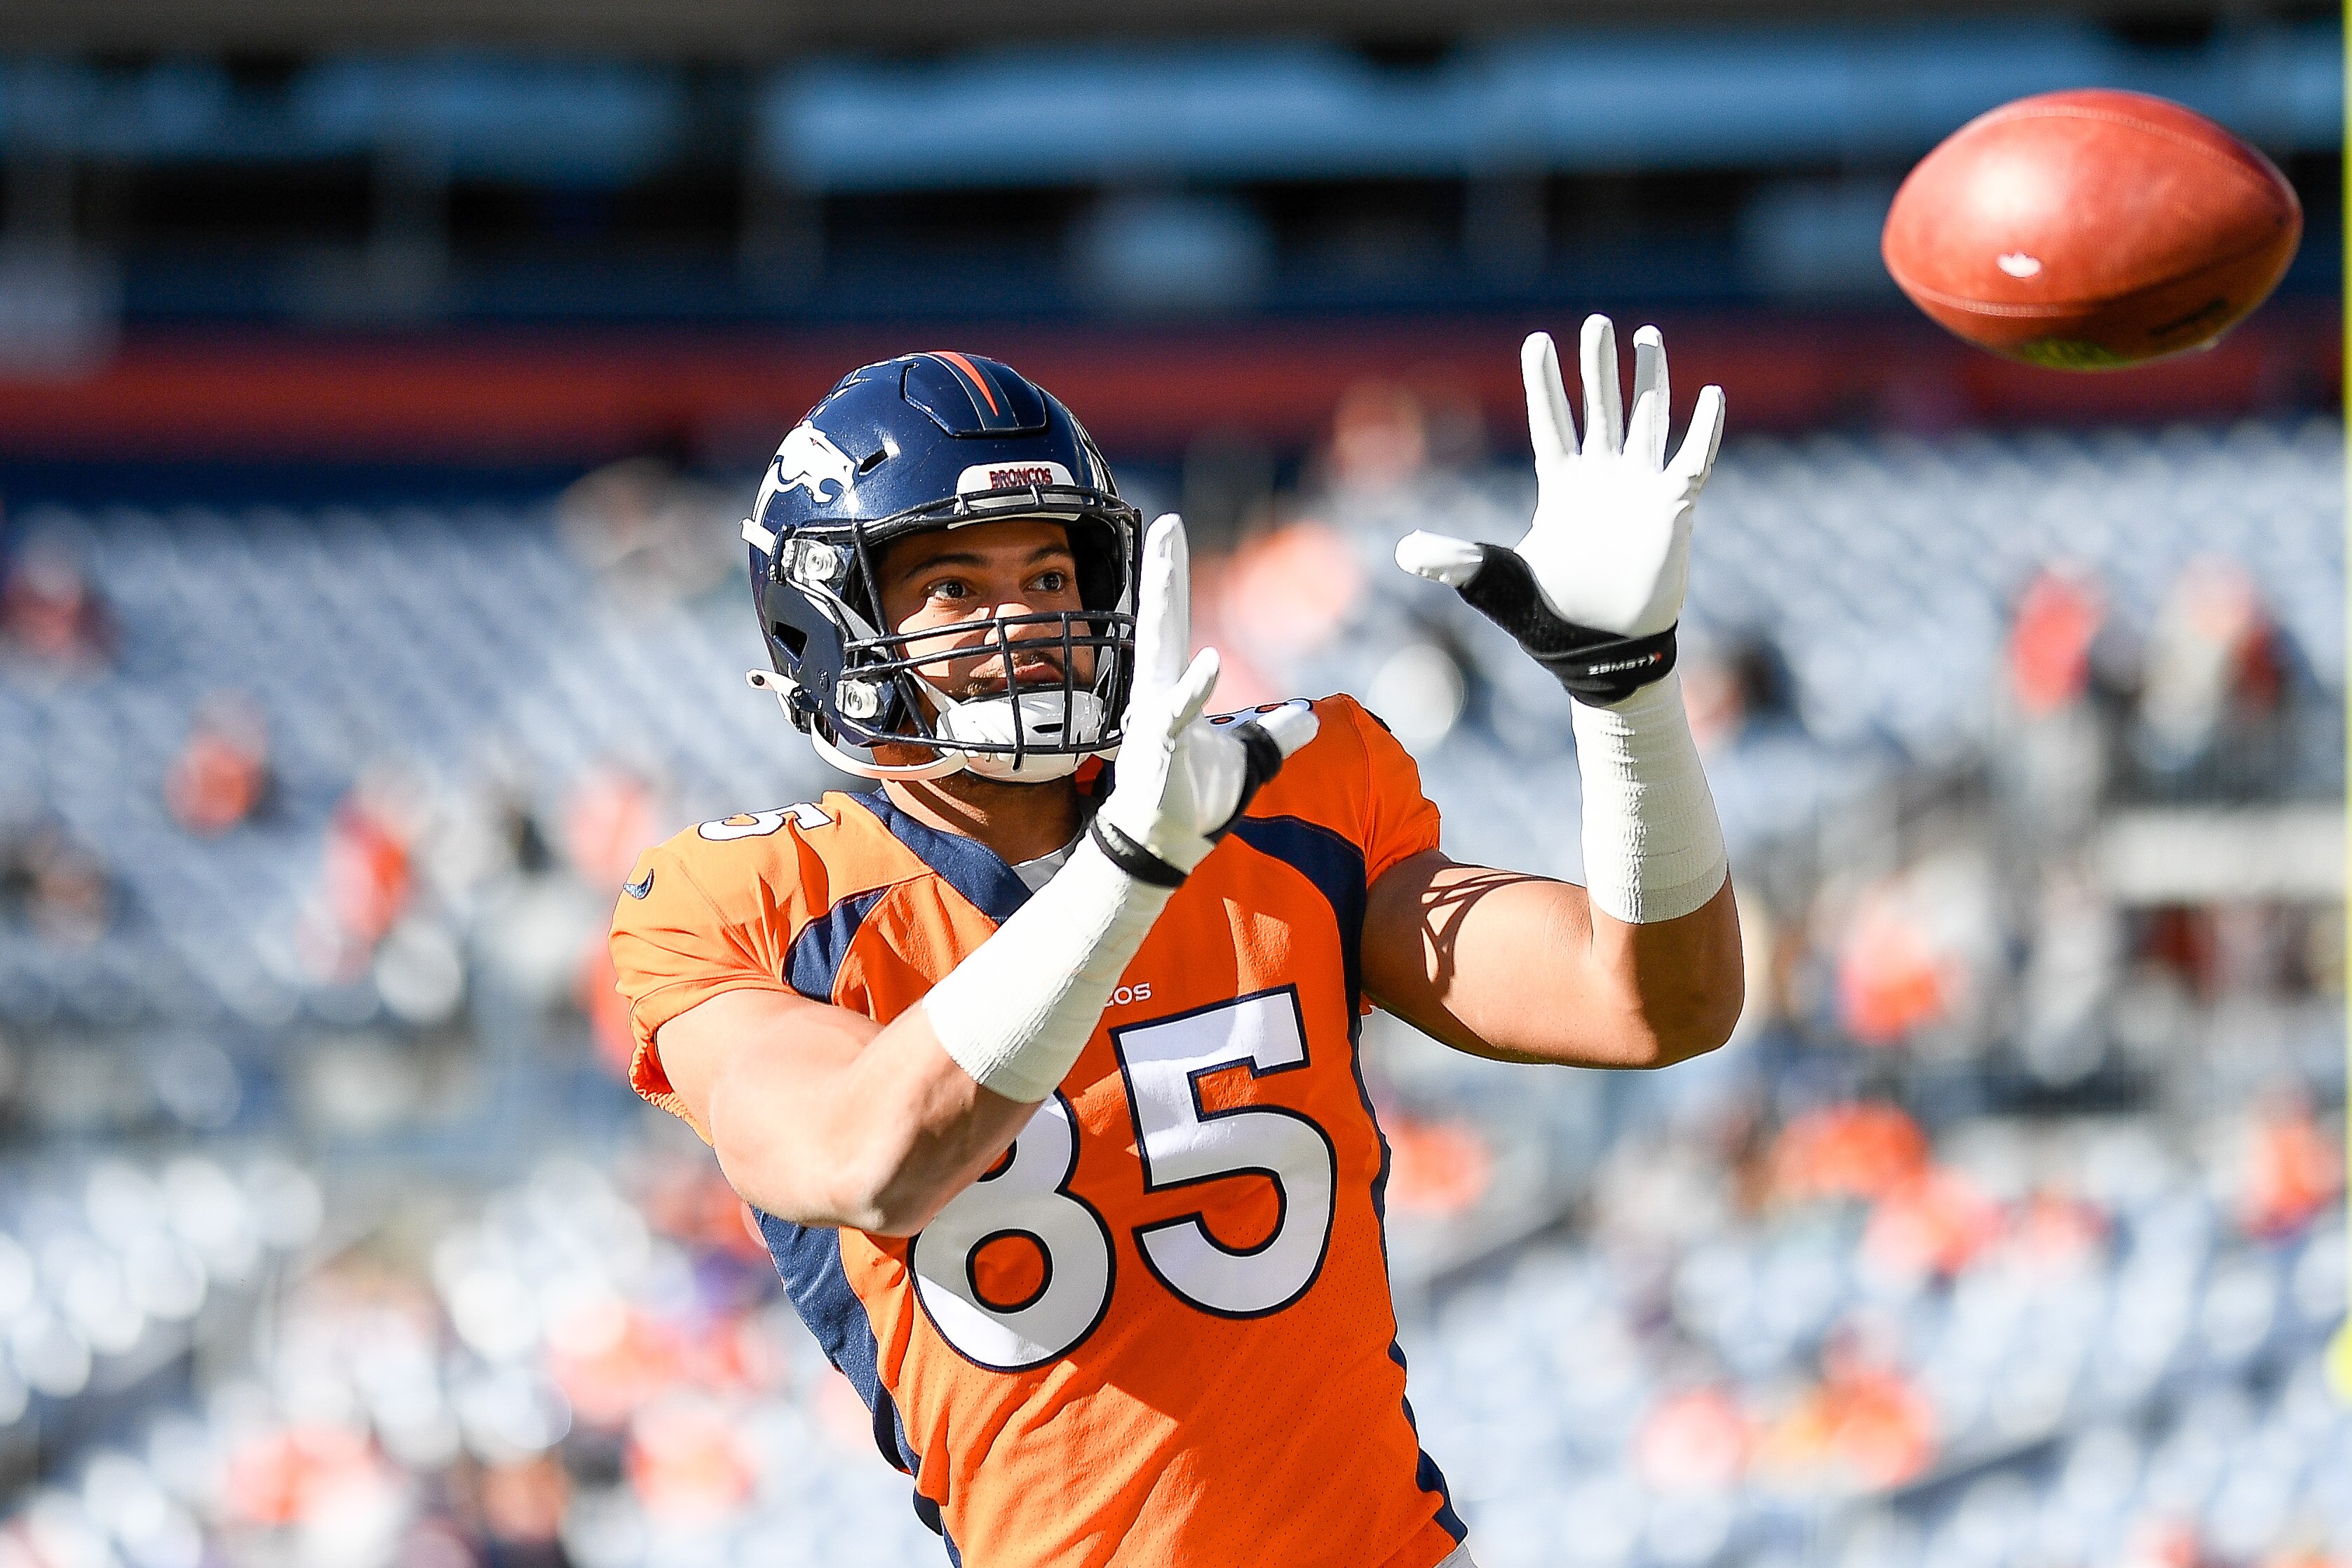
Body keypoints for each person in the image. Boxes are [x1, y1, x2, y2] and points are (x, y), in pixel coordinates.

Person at [609, 329, 1743, 1567]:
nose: (1021, 625)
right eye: (952, 588)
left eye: (1050, 577)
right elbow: (864, 1157)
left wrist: (1624, 691)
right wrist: (1126, 871)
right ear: (824, 623)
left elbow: (1652, 1005)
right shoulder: (745, 894)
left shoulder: (1280, 793)